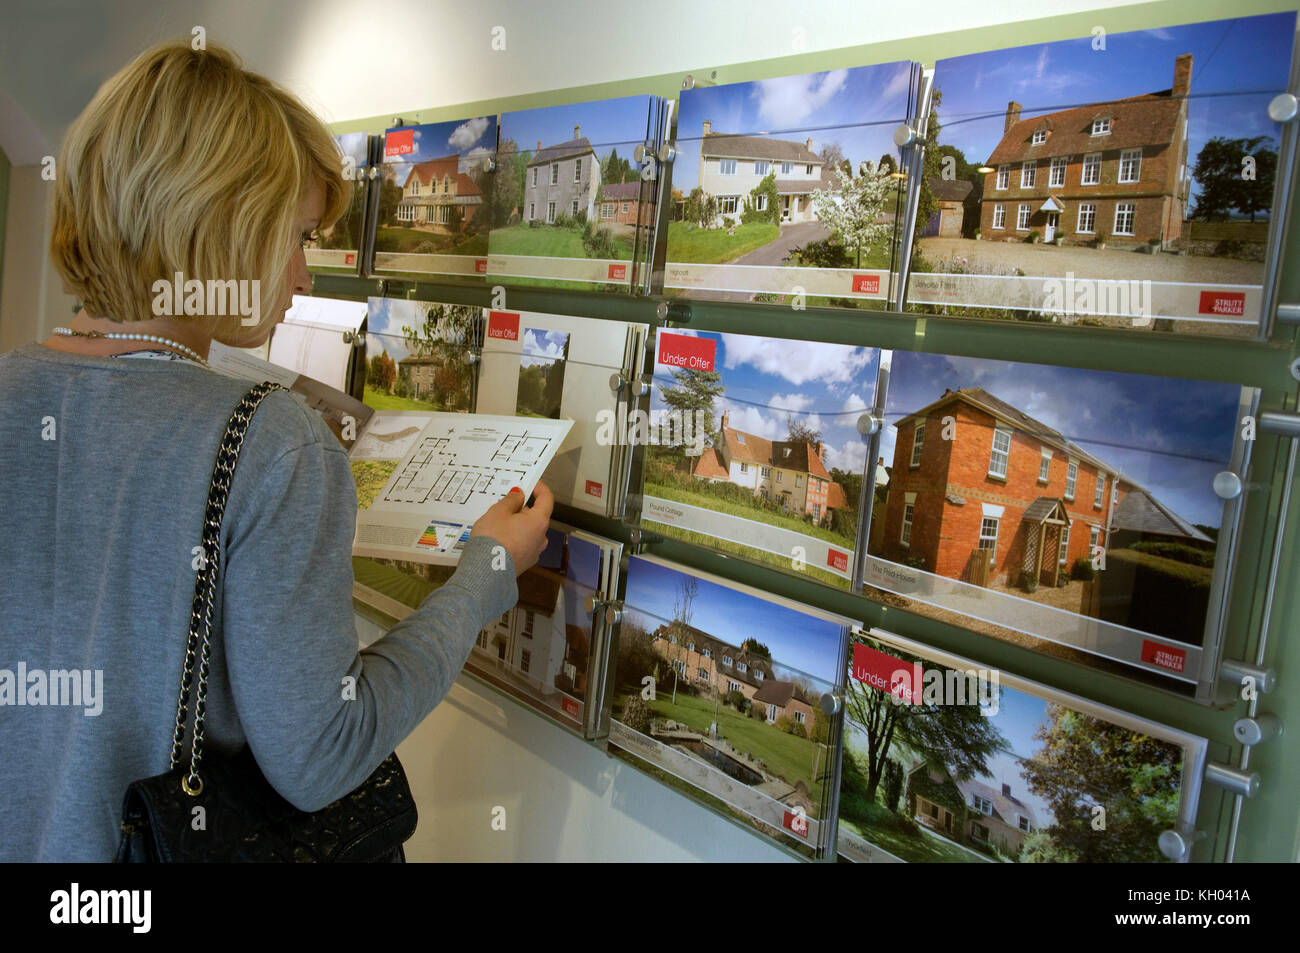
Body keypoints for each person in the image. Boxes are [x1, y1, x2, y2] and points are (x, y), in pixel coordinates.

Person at [0, 39, 553, 862]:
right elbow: (319, 754)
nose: (303, 276)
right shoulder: (269, 439)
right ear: (217, 223)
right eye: (294, 235)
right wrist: (485, 575)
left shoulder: (14, 386)